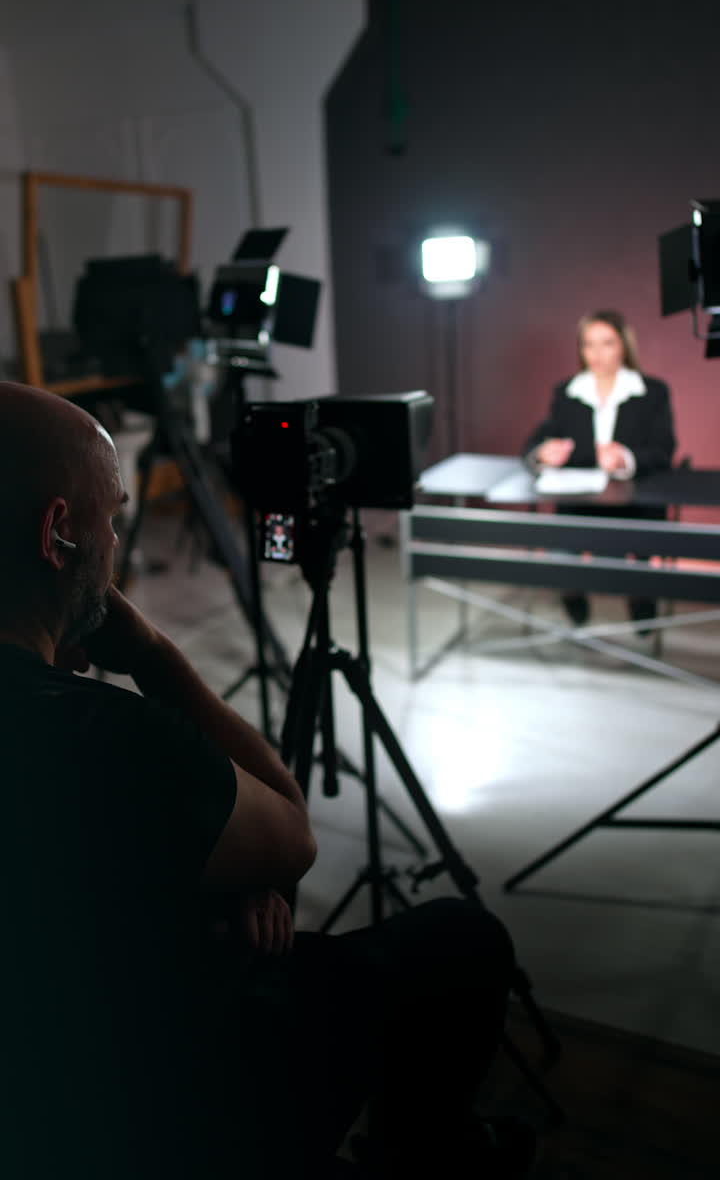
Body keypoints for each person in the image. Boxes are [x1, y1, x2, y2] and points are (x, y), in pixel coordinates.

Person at [0, 381, 532, 1179]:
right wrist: (151, 653)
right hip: (153, 1101)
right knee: (462, 940)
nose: (116, 541)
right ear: (59, 535)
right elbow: (290, 836)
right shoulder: (109, 735)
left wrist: (210, 882)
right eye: (111, 517)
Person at [523, 310, 676, 629]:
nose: (597, 354)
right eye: (588, 345)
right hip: (580, 503)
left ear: (624, 346)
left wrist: (626, 458)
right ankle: (573, 596)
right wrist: (544, 452)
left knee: (616, 562)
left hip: (634, 505)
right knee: (561, 557)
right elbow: (536, 441)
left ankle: (639, 599)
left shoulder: (652, 392)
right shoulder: (567, 391)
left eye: (607, 343)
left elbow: (663, 450)